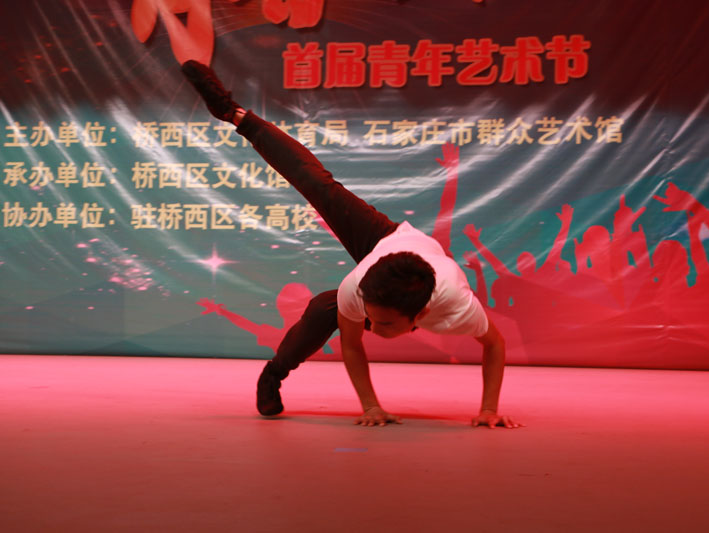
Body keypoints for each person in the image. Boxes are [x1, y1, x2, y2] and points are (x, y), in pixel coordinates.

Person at [181, 60, 520, 429]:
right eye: (371, 316)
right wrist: (371, 407)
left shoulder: (457, 306)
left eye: (382, 323)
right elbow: (353, 344)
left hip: (411, 270)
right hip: (387, 239)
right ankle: (235, 114)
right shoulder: (356, 288)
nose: (372, 324)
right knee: (321, 191)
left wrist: (489, 409)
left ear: (420, 316)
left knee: (323, 308)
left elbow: (494, 344)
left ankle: (276, 369)